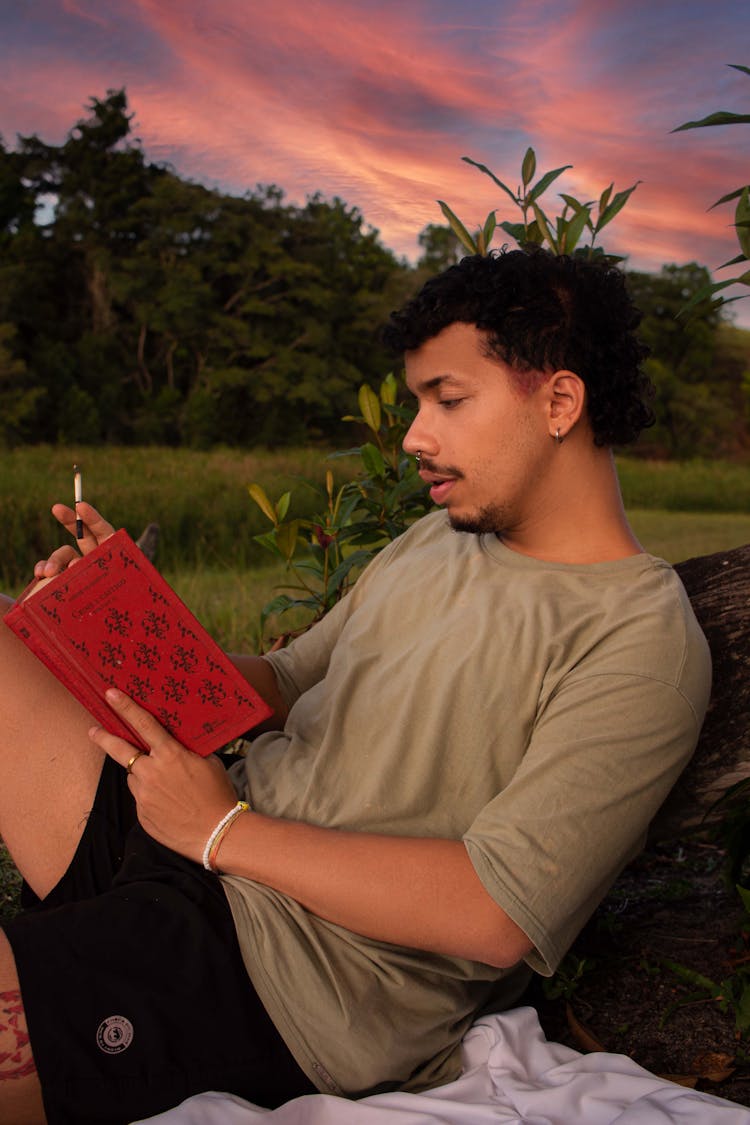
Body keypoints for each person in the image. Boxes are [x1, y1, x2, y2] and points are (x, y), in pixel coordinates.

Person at [0, 248, 711, 1125]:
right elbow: (291, 679)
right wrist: (126, 623)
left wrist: (222, 830)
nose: (416, 434)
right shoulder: (441, 537)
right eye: (418, 402)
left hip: (288, 976)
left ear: (559, 402)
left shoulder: (639, 639)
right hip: (194, 831)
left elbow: (497, 912)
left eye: (448, 400)